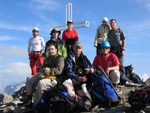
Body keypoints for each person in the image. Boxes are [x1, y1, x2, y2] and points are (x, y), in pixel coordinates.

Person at [20, 42, 65, 107]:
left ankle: (41, 104)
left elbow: (59, 70)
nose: (50, 51)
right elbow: (43, 69)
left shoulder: (60, 59)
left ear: (56, 50)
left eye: (52, 49)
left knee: (41, 83)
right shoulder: (47, 59)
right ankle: (29, 99)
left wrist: (49, 71)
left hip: (55, 78)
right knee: (29, 79)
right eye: (49, 49)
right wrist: (40, 73)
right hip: (45, 76)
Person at [65, 41, 93, 111]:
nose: (78, 49)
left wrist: (90, 70)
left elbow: (90, 67)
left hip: (84, 78)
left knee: (94, 77)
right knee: (74, 82)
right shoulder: (69, 58)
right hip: (74, 78)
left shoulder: (84, 58)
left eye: (79, 48)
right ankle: (85, 100)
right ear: (73, 48)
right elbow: (69, 71)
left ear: (81, 48)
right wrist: (77, 77)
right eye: (76, 47)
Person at [108, 19, 129, 84]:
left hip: (119, 48)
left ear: (116, 23)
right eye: (111, 23)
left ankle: (123, 79)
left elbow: (124, 41)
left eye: (113, 23)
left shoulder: (119, 31)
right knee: (113, 64)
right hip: (111, 49)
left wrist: (123, 49)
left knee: (121, 64)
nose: (112, 24)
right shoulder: (109, 32)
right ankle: (115, 80)